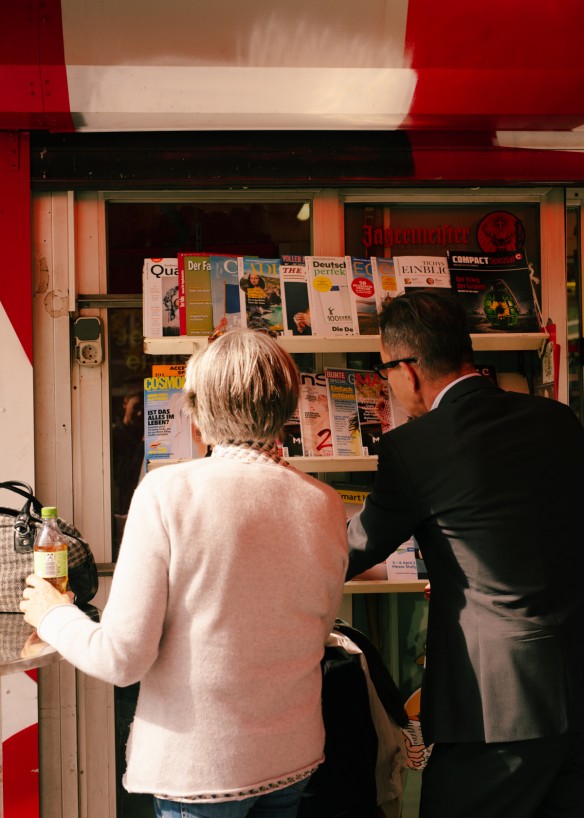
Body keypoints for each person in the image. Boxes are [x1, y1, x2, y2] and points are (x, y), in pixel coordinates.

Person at [21, 328, 348, 818]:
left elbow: (122, 658)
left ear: (198, 410)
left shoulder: (168, 492)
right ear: (286, 406)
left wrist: (52, 615)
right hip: (293, 757)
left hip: (203, 768)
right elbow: (312, 631)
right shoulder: (322, 502)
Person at [346, 290, 584, 818]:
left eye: (384, 369)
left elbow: (354, 547)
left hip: (494, 710)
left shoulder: (414, 447)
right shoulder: (558, 421)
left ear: (407, 369)